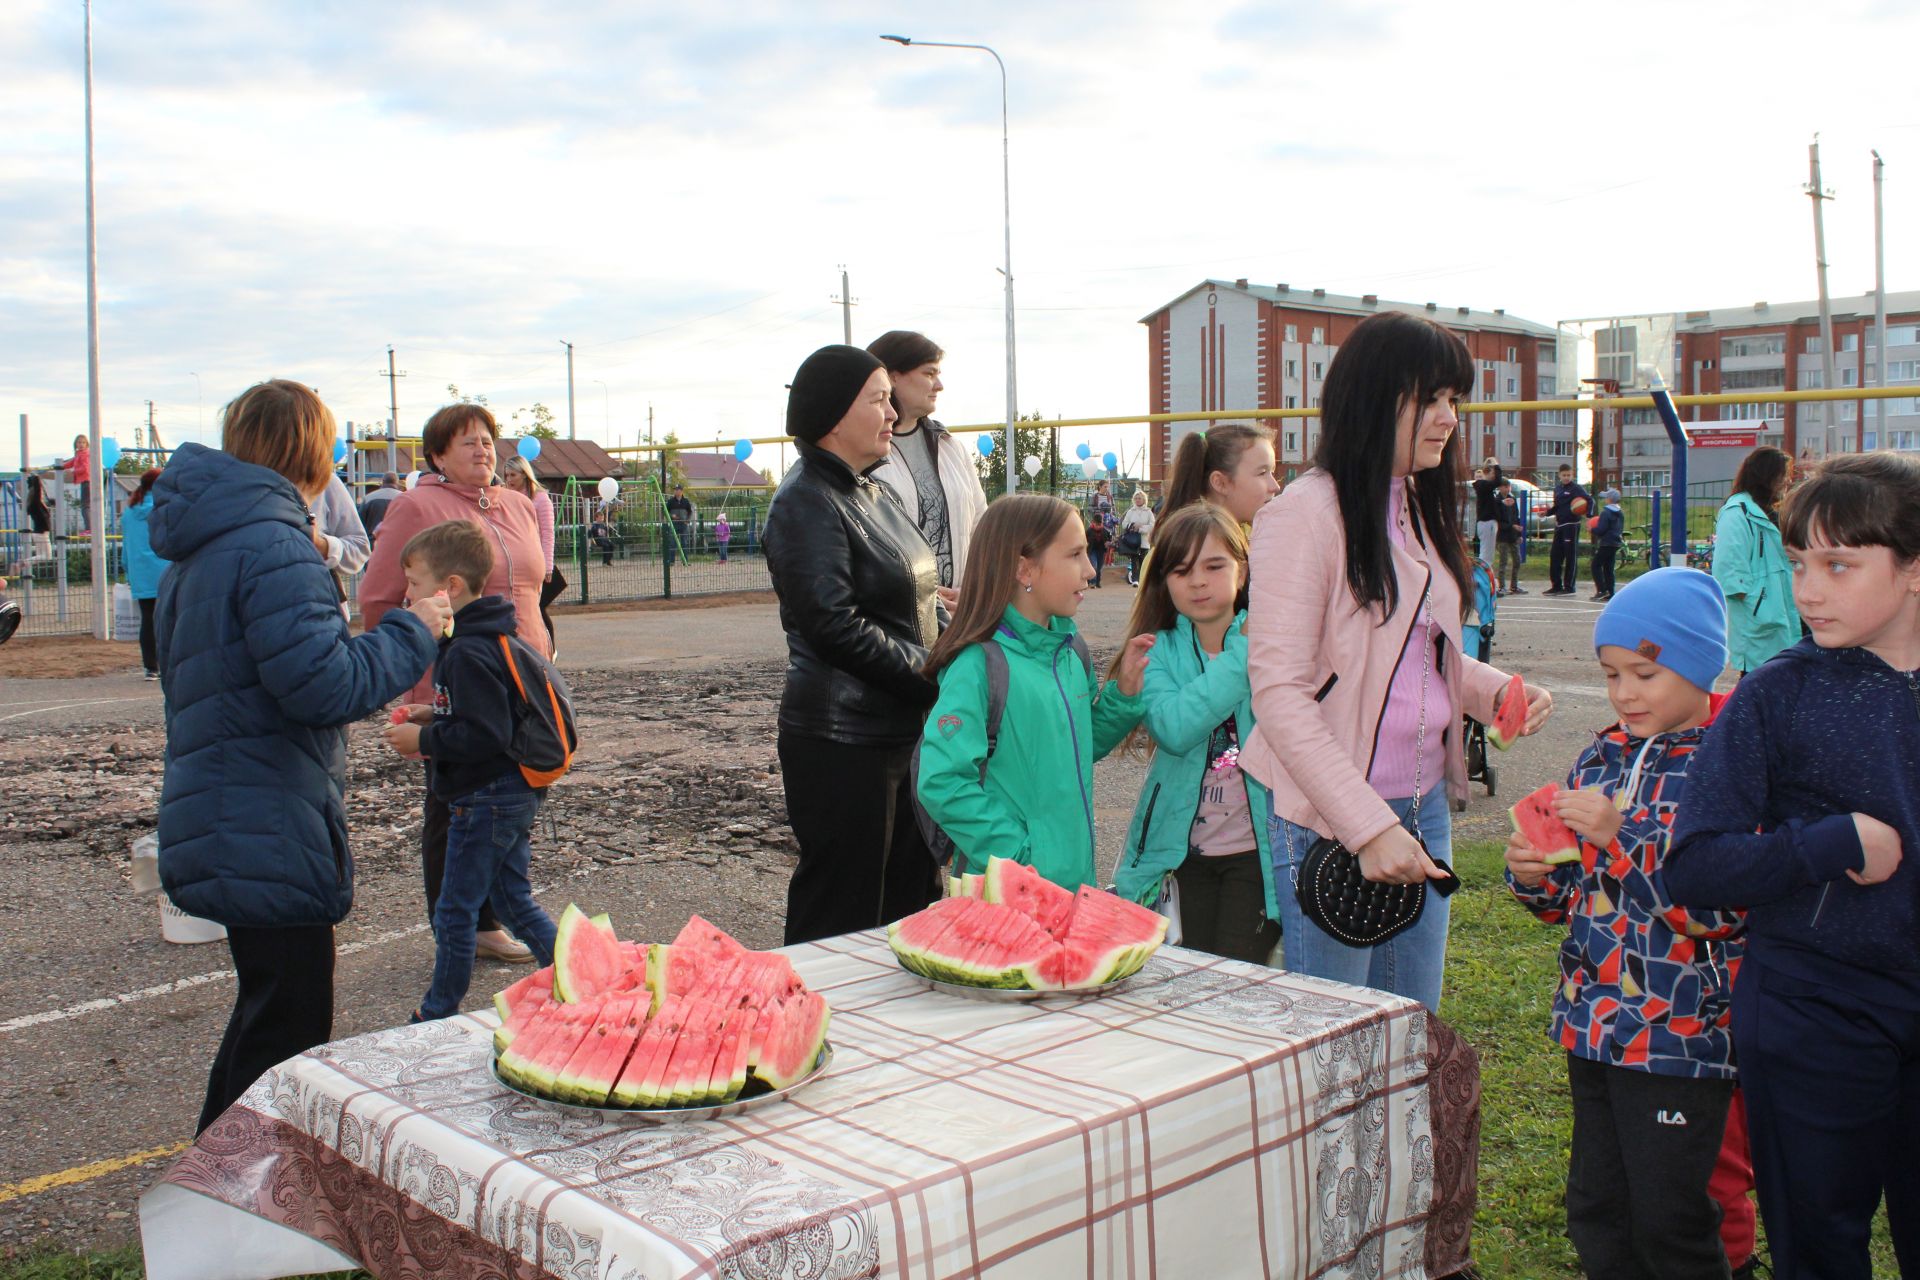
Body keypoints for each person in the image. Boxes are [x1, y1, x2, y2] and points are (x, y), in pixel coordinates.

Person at [146, 380, 447, 1133]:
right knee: (289, 1020)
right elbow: (323, 684)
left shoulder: (207, 545)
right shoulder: (277, 545)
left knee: (267, 1007)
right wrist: (414, 629)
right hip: (266, 808)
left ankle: (214, 1181)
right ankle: (240, 1207)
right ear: (314, 450)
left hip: (224, 796)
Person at [1243, 311, 1551, 1012]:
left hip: (1422, 807)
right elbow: (1281, 692)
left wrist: (1488, 690)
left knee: (1412, 1033)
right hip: (1332, 815)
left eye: (1455, 402)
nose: (1449, 419)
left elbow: (1409, 653)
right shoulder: (1304, 514)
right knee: (1340, 1047)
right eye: (1432, 399)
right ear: (1377, 399)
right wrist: (1367, 826)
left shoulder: (1413, 502)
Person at [1666, 452, 1920, 1280]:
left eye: (1838, 565)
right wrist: (1827, 844)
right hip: (1814, 1009)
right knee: (1818, 1246)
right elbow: (1697, 865)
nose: (1807, 590)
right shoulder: (1779, 692)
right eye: (1799, 563)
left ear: (1914, 570)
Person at [1505, 567, 1750, 1278]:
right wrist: (1535, 876)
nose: (1624, 694)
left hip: (1681, 1039)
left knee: (1672, 1218)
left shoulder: (1728, 768)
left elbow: (1718, 909)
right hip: (1594, 1026)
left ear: (1701, 667)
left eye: (1645, 673)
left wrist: (1624, 834)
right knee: (1597, 1208)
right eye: (1611, 675)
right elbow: (1571, 897)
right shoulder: (1602, 756)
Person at [764, 345, 942, 945]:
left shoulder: (874, 491)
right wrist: (936, 672)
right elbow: (832, 624)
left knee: (912, 904)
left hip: (901, 731)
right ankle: (807, 1027)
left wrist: (960, 620)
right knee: (842, 916)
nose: (892, 413)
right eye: (878, 399)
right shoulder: (805, 501)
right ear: (836, 415)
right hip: (845, 743)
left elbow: (909, 594)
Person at [360, 402, 549, 966]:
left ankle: (495, 908)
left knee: (514, 793)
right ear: (437, 455)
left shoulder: (518, 503)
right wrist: (404, 658)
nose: (482, 449)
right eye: (466, 441)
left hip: (524, 673)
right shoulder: (418, 506)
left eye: (487, 439)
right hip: (456, 671)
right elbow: (376, 594)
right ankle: (464, 924)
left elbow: (536, 585)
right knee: (457, 802)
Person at [919, 495, 1153, 889]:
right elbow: (942, 781)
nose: (1090, 570)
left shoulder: (1068, 649)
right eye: (1075, 555)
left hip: (1073, 882)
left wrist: (1124, 696)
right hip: (1008, 891)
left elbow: (1079, 742)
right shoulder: (977, 665)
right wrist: (1022, 856)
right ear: (1024, 568)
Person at [381, 521, 560, 1023]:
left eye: (415, 583)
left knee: (455, 911)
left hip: (485, 798)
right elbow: (480, 717)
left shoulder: (467, 651)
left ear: (450, 587)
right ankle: (574, 981)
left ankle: (436, 1013)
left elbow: (485, 735)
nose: (407, 594)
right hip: (509, 792)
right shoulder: (482, 639)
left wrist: (426, 740)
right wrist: (433, 715)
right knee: (512, 898)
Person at [1112, 504, 1279, 964]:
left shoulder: (1276, 644)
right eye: (1182, 570)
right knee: (1192, 976)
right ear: (1164, 581)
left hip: (1257, 853)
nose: (1199, 581)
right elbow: (1174, 728)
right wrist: (1243, 654)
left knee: (1240, 973)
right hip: (1181, 855)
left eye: (1214, 566)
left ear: (1241, 573)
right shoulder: (1157, 651)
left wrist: (1252, 646)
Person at [868, 331, 988, 597]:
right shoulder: (865, 453)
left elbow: (981, 526)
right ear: (893, 376)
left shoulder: (951, 448)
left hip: (959, 615)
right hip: (899, 621)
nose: (939, 385)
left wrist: (974, 593)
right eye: (929, 373)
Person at [1711, 445, 1799, 676]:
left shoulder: (1769, 511)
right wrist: (1755, 601)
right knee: (1761, 682)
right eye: (1783, 475)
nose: (1786, 482)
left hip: (1780, 608)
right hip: (1762, 612)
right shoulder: (1738, 511)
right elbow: (1728, 568)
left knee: (1783, 679)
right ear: (1767, 475)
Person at [499, 456, 562, 655]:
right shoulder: (504, 497)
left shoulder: (540, 499)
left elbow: (547, 533)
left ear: (525, 475)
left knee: (538, 609)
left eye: (513, 475)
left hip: (535, 561)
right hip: (514, 562)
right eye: (506, 475)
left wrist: (548, 566)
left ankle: (549, 650)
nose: (509, 479)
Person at [1161, 423, 1281, 528]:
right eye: (1262, 473)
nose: (1275, 486)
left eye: (1272, 472)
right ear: (1220, 483)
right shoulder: (1201, 548)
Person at [120, 467, 169, 679]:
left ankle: (151, 667)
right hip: (165, 569)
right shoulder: (163, 509)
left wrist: (128, 571)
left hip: (140, 571)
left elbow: (126, 544)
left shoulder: (129, 512)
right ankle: (169, 662)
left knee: (147, 619)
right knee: (169, 618)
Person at [310, 474, 370, 621]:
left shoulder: (322, 478)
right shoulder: (246, 477)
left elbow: (360, 547)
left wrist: (323, 545)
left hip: (319, 609)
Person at [1546, 463, 1591, 596]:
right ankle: (1556, 585)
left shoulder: (1576, 489)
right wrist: (1547, 513)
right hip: (1560, 525)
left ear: (1572, 475)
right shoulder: (1558, 489)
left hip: (1571, 525)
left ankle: (1569, 587)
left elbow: (1589, 500)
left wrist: (1589, 516)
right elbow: (1557, 506)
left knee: (1570, 556)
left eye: (1568, 475)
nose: (1566, 477)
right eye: (1564, 475)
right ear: (1559, 475)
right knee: (1555, 556)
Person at [1590, 487, 1624, 602]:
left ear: (1609, 499)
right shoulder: (1620, 513)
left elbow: (1601, 530)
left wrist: (1592, 529)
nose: (1605, 500)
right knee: (1608, 568)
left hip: (1606, 543)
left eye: (1606, 498)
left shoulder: (1606, 513)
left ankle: (1601, 590)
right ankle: (1610, 592)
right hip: (1615, 543)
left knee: (1596, 565)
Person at [1494, 477, 1525, 596]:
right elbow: (1498, 521)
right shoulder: (1497, 501)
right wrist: (1512, 526)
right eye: (1505, 486)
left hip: (1513, 536)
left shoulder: (1512, 499)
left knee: (1517, 560)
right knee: (1503, 562)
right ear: (1500, 488)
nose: (1507, 489)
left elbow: (1516, 517)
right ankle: (1501, 586)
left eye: (1509, 486)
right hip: (1502, 536)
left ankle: (1514, 586)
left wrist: (1519, 534)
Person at [1118, 489, 1155, 586]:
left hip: (1144, 540)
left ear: (1144, 499)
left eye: (1140, 498)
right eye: (1136, 498)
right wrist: (1132, 525)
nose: (1138, 500)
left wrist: (1141, 528)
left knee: (1143, 561)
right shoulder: (1130, 511)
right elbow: (1124, 524)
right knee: (1134, 560)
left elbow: (1152, 525)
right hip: (1132, 541)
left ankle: (1143, 580)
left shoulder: (1148, 511)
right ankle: (1135, 580)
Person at [1472, 456, 1504, 565]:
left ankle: (1483, 576)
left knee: (1486, 553)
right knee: (1486, 556)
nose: (1494, 477)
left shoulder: (1485, 487)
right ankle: (1483, 578)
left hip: (1486, 522)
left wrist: (1502, 502)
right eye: (1493, 474)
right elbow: (1498, 481)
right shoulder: (1482, 484)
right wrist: (1496, 465)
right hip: (1487, 522)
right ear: (1488, 473)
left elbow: (1488, 502)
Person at [62, 435, 91, 532]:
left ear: (87, 444)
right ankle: (89, 527)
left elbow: (85, 468)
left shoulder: (85, 454)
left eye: (83, 442)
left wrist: (73, 472)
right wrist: (60, 466)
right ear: (76, 444)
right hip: (85, 481)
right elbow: (71, 463)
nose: (81, 444)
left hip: (87, 481)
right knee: (86, 505)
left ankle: (89, 528)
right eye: (79, 442)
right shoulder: (79, 454)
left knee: (85, 506)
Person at [358, 472, 402, 539]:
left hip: (373, 543)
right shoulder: (404, 498)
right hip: (397, 542)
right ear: (397, 482)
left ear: (383, 481)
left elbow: (359, 523)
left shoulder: (368, 498)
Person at [25, 472, 52, 562]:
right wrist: (36, 476)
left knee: (41, 556)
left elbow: (33, 488)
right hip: (41, 534)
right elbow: (37, 490)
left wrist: (30, 477)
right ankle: (22, 563)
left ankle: (21, 564)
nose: (42, 495)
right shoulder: (36, 503)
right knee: (46, 557)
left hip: (39, 533)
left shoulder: (34, 503)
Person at [665, 485, 693, 565]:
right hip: (674, 524)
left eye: (678, 490)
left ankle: (685, 561)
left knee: (684, 542)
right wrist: (671, 516)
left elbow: (690, 512)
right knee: (672, 542)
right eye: (675, 490)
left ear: (681, 491)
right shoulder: (670, 501)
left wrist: (688, 520)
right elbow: (665, 511)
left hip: (684, 524)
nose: (676, 491)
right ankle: (671, 561)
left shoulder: (686, 501)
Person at [1085, 513, 1110, 588]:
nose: (1098, 526)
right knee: (1094, 565)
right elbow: (1084, 540)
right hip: (1092, 550)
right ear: (1093, 522)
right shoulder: (1089, 531)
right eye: (1097, 524)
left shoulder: (1105, 531)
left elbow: (1109, 540)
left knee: (1099, 567)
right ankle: (1092, 582)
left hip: (1101, 551)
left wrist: (1108, 543)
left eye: (1100, 524)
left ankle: (1097, 582)